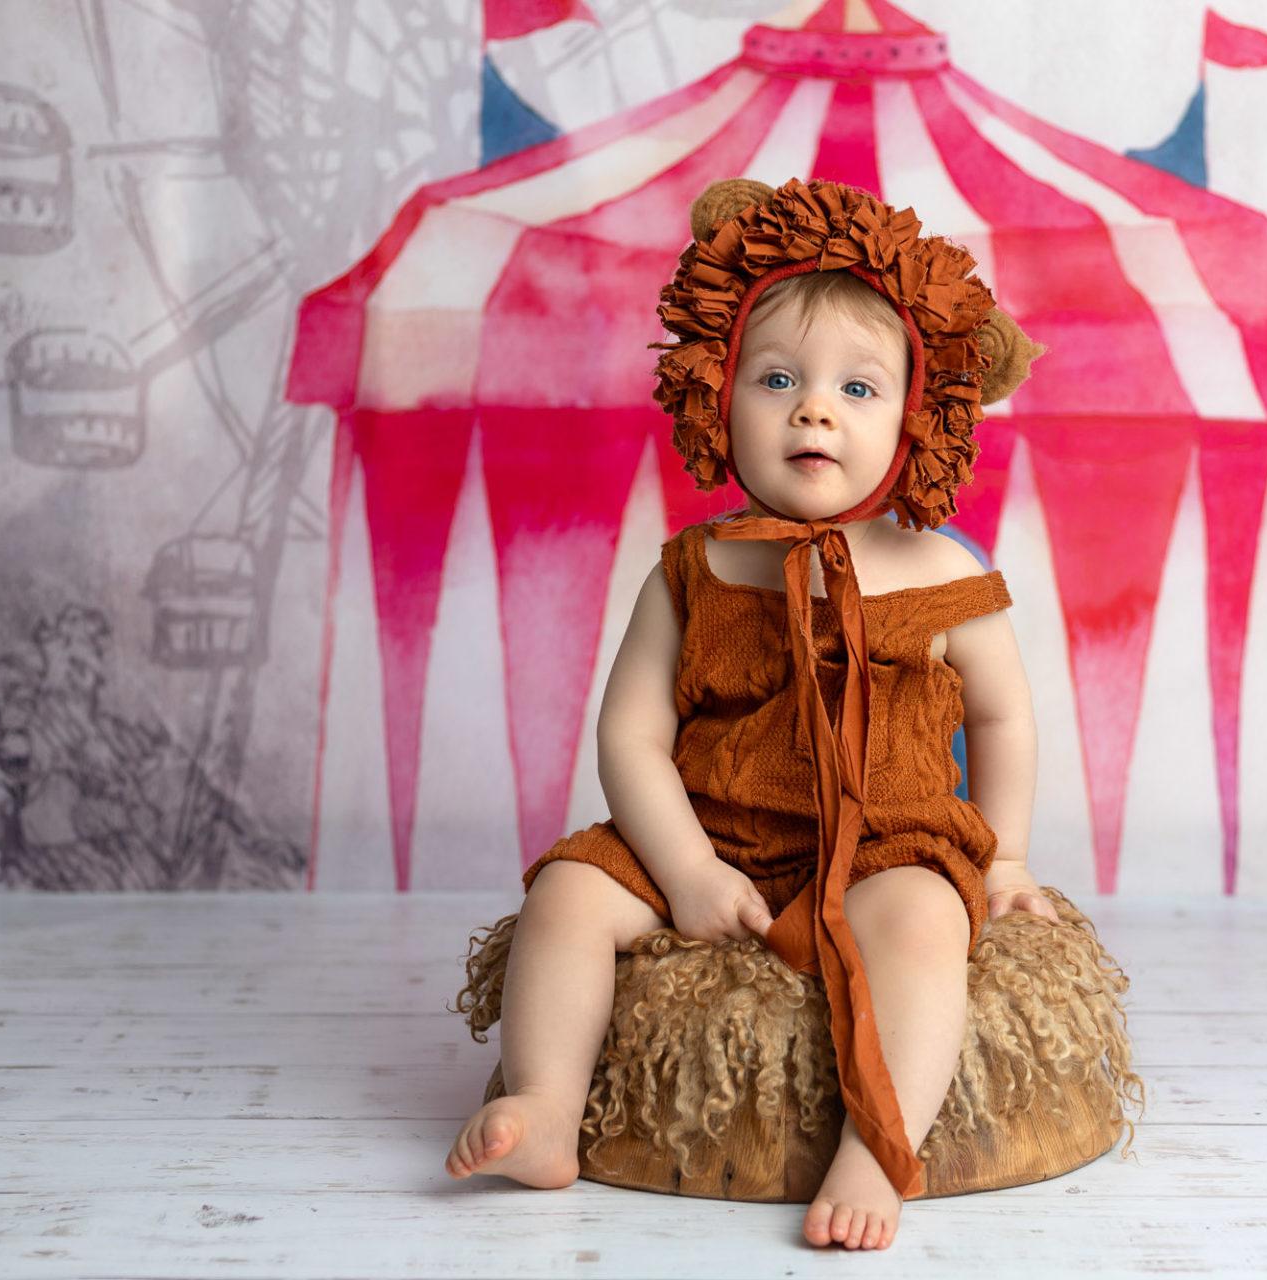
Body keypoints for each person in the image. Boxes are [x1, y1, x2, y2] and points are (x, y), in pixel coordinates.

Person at [446, 178, 1049, 1251]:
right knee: (569, 893)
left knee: (921, 927)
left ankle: (879, 1143)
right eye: (777, 378)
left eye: (860, 389)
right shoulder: (697, 566)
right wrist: (681, 868)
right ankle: (545, 1105)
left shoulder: (941, 570)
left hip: (884, 840)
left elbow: (1002, 722)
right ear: (716, 394)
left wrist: (999, 861)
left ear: (920, 415)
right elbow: (629, 734)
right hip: (716, 830)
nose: (813, 408)